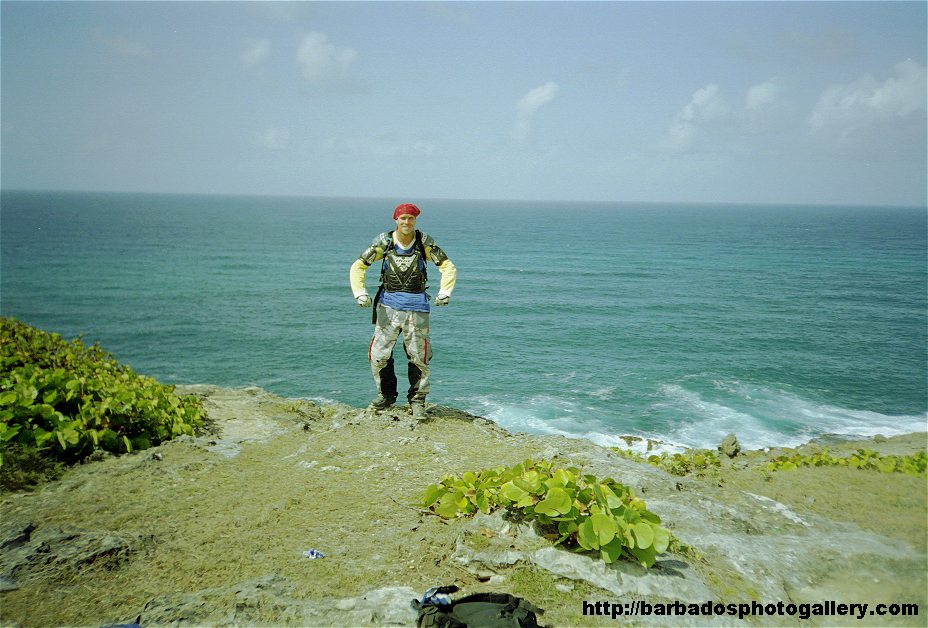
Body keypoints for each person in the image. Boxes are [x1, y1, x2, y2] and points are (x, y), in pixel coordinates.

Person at [349, 203, 457, 417]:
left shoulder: (424, 243)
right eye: (403, 218)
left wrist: (445, 291)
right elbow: (358, 266)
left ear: (415, 220)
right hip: (387, 306)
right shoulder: (384, 243)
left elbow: (447, 266)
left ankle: (417, 400)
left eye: (410, 218)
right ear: (396, 220)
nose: (407, 222)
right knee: (379, 355)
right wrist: (360, 293)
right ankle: (386, 396)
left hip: (417, 308)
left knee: (419, 356)